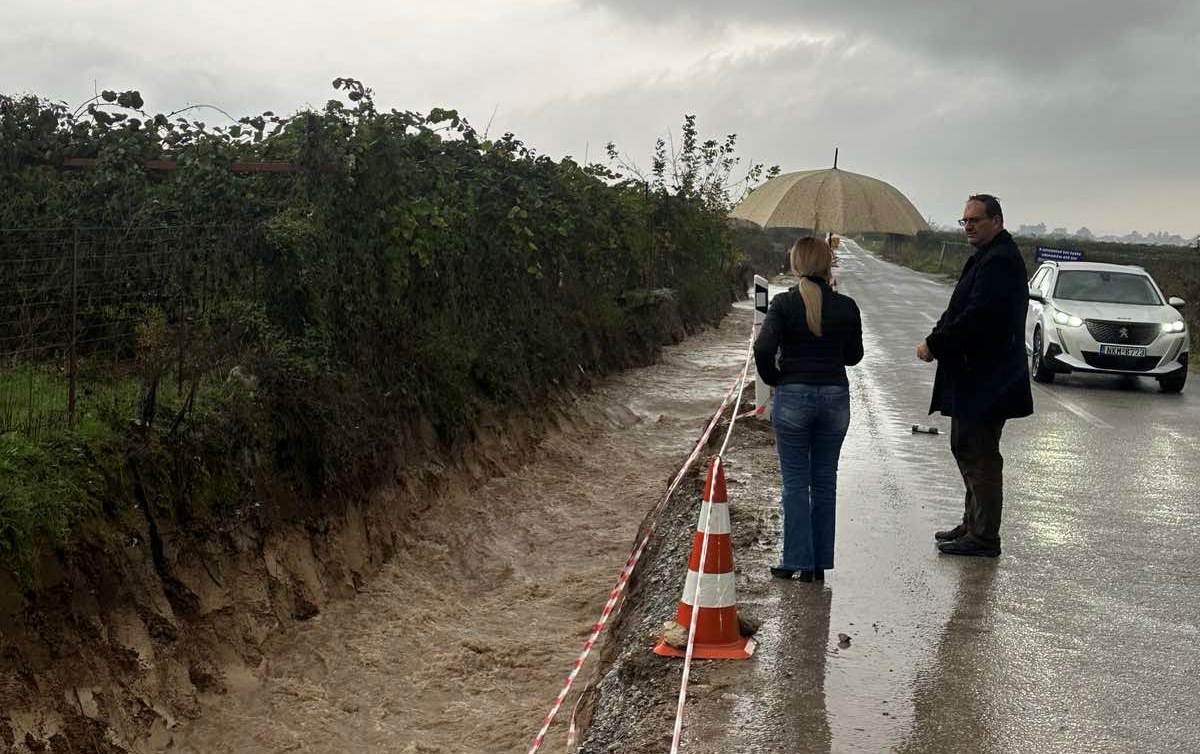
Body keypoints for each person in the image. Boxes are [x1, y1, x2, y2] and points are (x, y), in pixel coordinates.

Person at [916, 194, 1033, 557]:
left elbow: (977, 316)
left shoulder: (999, 261)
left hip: (988, 377)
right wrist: (937, 335)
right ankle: (973, 523)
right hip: (978, 375)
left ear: (996, 221)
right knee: (967, 447)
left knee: (979, 453)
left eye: (975, 220)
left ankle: (984, 537)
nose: (968, 226)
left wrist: (935, 344)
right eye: (964, 220)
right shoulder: (986, 257)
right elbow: (958, 309)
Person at [754, 236, 864, 582]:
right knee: (825, 482)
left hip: (793, 397)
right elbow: (854, 357)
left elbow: (763, 349)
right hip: (835, 398)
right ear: (828, 265)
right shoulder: (846, 306)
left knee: (795, 483)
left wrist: (775, 379)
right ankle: (818, 565)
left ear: (796, 264)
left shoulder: (784, 304)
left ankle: (796, 560)